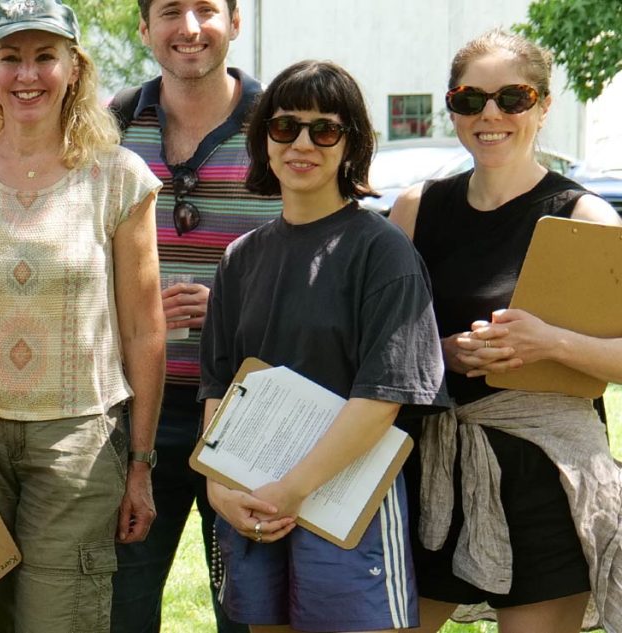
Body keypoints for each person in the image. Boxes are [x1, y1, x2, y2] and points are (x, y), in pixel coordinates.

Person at [0, 1, 164, 631]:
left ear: (74, 69)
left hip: (77, 442)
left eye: (45, 57)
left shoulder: (119, 177)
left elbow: (144, 329)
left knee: (61, 617)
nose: (28, 75)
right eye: (11, 58)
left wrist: (140, 464)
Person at [387, 30, 622, 633]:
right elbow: (378, 340)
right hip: (431, 468)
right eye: (470, 100)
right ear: (453, 108)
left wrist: (548, 343)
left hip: (545, 478)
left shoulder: (583, 217)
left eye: (512, 98)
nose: (490, 115)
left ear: (543, 107)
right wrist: (440, 354)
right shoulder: (417, 209)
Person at [200, 59, 443, 633]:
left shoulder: (383, 251)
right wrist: (217, 488)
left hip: (347, 497)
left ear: (351, 144)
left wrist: (295, 488)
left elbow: (384, 397)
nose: (302, 142)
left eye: (324, 129)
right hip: (254, 499)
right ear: (264, 140)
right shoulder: (240, 259)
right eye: (284, 127)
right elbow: (219, 385)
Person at [105, 3, 270, 631]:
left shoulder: (280, 125)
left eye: (207, 8)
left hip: (249, 407)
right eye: (171, 11)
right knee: (123, 607)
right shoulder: (111, 124)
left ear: (236, 22)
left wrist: (234, 311)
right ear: (145, 30)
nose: (190, 26)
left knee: (249, 610)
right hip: (133, 410)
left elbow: (319, 258)